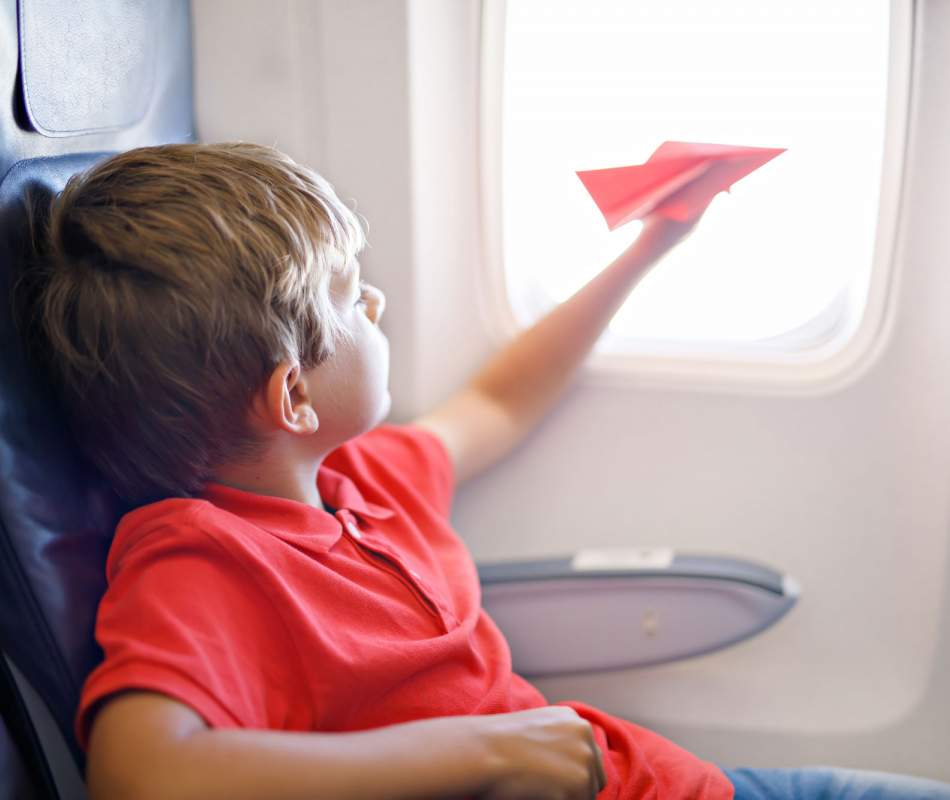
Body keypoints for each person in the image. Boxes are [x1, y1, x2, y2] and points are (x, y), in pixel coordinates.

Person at [20, 142, 950, 800]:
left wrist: (652, 245)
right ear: (293, 397)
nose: (377, 297)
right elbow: (145, 777)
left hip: (672, 780)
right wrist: (485, 752)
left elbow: (500, 401)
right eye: (352, 296)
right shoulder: (202, 560)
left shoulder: (361, 482)